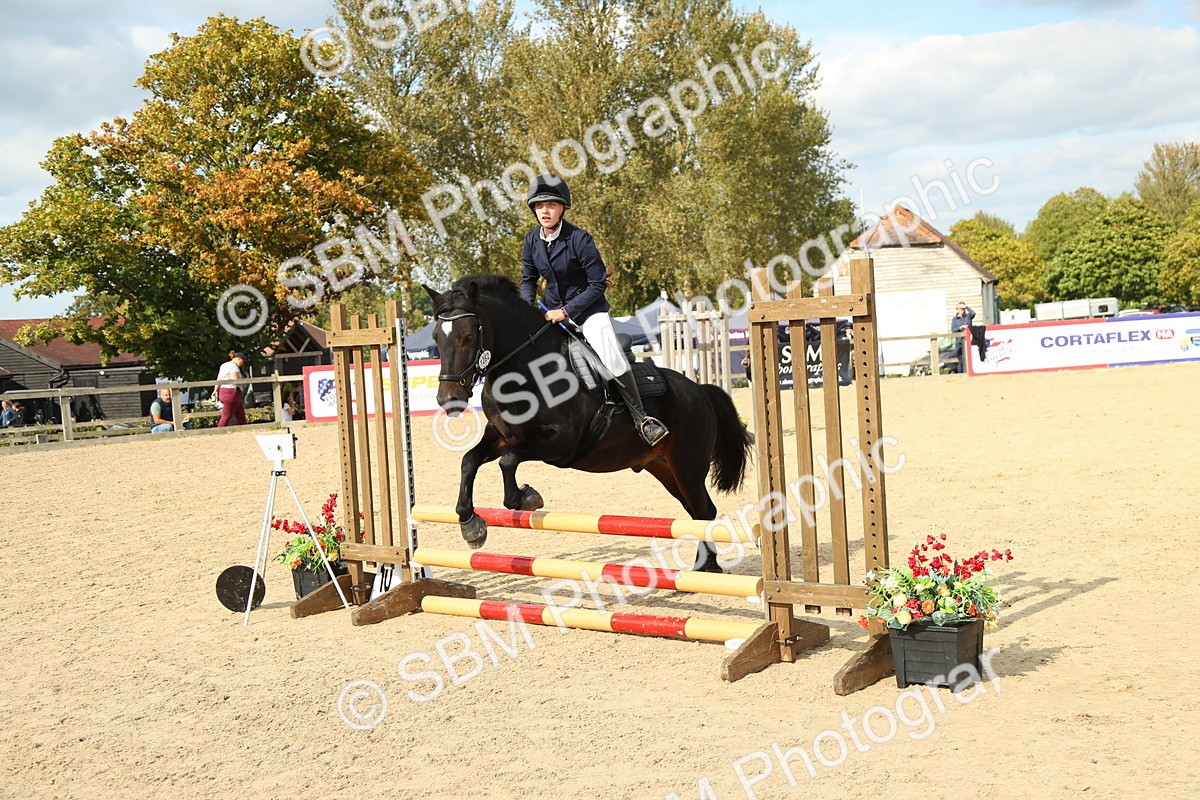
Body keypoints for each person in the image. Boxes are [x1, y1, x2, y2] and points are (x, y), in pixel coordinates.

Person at [519, 174, 668, 445]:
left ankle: (642, 419)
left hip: (588, 310)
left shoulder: (579, 239)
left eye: (551, 205)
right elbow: (528, 280)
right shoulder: (531, 240)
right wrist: (525, 307)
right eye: (539, 206)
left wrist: (565, 312)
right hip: (550, 310)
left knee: (610, 357)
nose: (545, 211)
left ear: (562, 207)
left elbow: (597, 283)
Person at [214, 351, 248, 426]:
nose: (242, 364)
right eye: (242, 361)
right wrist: (244, 381)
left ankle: (244, 430)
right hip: (231, 392)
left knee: (240, 415)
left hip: (223, 390)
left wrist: (215, 389)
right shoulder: (234, 367)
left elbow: (219, 378)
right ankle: (220, 430)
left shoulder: (223, 365)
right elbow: (235, 380)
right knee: (226, 415)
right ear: (239, 359)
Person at [950, 302, 976, 373]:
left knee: (970, 358)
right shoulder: (955, 319)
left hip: (969, 340)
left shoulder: (968, 316)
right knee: (961, 360)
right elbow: (953, 330)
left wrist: (966, 306)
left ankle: (970, 373)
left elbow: (973, 313)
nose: (961, 310)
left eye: (963, 308)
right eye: (960, 308)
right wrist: (960, 327)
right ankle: (961, 374)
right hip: (959, 342)